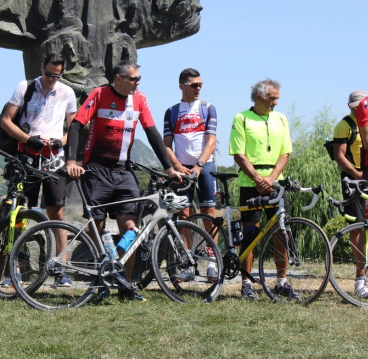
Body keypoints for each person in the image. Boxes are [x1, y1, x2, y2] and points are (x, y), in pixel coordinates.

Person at [66, 60, 183, 302]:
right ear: (118, 78)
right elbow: (76, 125)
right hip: (96, 171)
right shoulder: (99, 94)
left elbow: (152, 133)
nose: (137, 83)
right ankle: (101, 284)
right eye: (133, 79)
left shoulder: (139, 98)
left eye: (139, 79)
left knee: (131, 229)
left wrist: (169, 168)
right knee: (96, 229)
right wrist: (71, 161)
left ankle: (125, 286)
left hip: (123, 172)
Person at [1, 53, 77, 287]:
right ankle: (13, 269)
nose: (51, 78)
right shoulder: (25, 87)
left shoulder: (67, 92)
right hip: (27, 156)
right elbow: (6, 120)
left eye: (57, 75)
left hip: (54, 159)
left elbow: (74, 127)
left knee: (58, 212)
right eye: (48, 73)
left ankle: (61, 269)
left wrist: (61, 142)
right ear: (41, 67)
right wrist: (28, 139)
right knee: (20, 212)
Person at [229, 78, 294, 300]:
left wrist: (272, 178)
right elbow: (239, 155)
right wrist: (258, 179)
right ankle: (246, 283)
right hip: (250, 182)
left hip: (275, 182)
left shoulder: (281, 119)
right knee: (250, 234)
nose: (275, 102)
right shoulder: (241, 119)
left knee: (281, 231)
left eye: (277, 98)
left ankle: (282, 281)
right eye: (272, 98)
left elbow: (285, 152)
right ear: (259, 96)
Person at [163, 68, 218, 282]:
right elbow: (166, 145)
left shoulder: (208, 108)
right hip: (181, 168)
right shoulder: (172, 111)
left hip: (204, 166)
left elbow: (211, 141)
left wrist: (199, 166)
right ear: (182, 86)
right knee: (184, 216)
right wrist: (177, 165)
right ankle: (187, 263)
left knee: (208, 217)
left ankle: (212, 263)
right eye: (194, 85)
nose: (198, 88)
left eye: (200, 84)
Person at [347, 90, 368, 297]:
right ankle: (360, 278)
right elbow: (339, 155)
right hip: (357, 179)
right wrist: (357, 174)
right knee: (360, 227)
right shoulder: (345, 124)